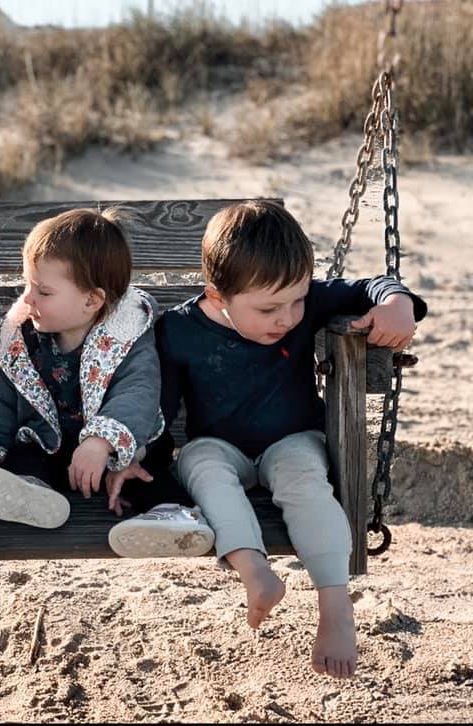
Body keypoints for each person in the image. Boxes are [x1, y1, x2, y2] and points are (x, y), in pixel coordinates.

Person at [109, 199, 426, 679]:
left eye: (298, 300)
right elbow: (161, 405)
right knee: (203, 467)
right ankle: (253, 570)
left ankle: (336, 608)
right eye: (269, 308)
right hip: (218, 444)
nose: (288, 318)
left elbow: (369, 286)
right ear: (217, 296)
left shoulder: (305, 303)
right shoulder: (178, 330)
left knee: (305, 484)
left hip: (293, 439)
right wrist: (137, 456)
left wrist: (397, 304)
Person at [0, 208, 214, 557]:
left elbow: (137, 393)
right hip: (53, 448)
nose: (27, 298)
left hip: (117, 451)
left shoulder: (125, 336)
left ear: (91, 300)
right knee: (27, 456)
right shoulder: (21, 339)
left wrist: (102, 443)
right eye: (27, 284)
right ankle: (30, 492)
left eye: (43, 291)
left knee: (145, 473)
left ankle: (171, 516)